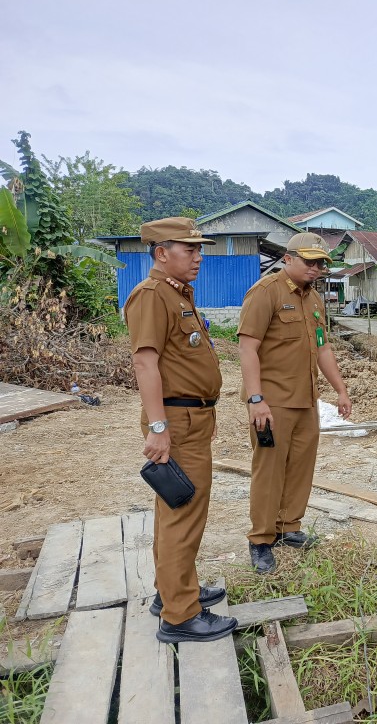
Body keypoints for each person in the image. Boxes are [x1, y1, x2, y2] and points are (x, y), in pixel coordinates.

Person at [124, 217, 238, 643]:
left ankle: (172, 591)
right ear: (160, 253)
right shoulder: (153, 295)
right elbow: (144, 362)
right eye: (189, 250)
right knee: (183, 516)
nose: (198, 257)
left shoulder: (177, 295)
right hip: (176, 421)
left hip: (192, 420)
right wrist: (157, 427)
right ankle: (180, 616)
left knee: (176, 512)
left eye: (198, 249)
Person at [238, 232, 352, 574]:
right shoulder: (266, 293)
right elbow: (247, 349)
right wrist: (256, 398)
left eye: (320, 263)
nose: (315, 269)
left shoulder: (313, 300)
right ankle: (260, 539)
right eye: (309, 262)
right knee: (269, 471)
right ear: (288, 259)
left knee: (301, 467)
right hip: (272, 402)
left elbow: (323, 349)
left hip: (305, 400)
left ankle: (289, 528)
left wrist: (341, 390)